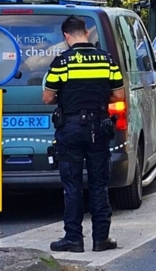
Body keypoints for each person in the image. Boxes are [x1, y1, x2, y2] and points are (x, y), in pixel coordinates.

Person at [42, 15, 124, 253]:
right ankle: (101, 239)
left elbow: (47, 97)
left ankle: (73, 239)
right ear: (86, 33)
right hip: (99, 128)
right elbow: (118, 96)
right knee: (99, 185)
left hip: (70, 129)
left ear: (66, 37)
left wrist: (69, 98)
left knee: (72, 186)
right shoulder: (106, 60)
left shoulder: (62, 62)